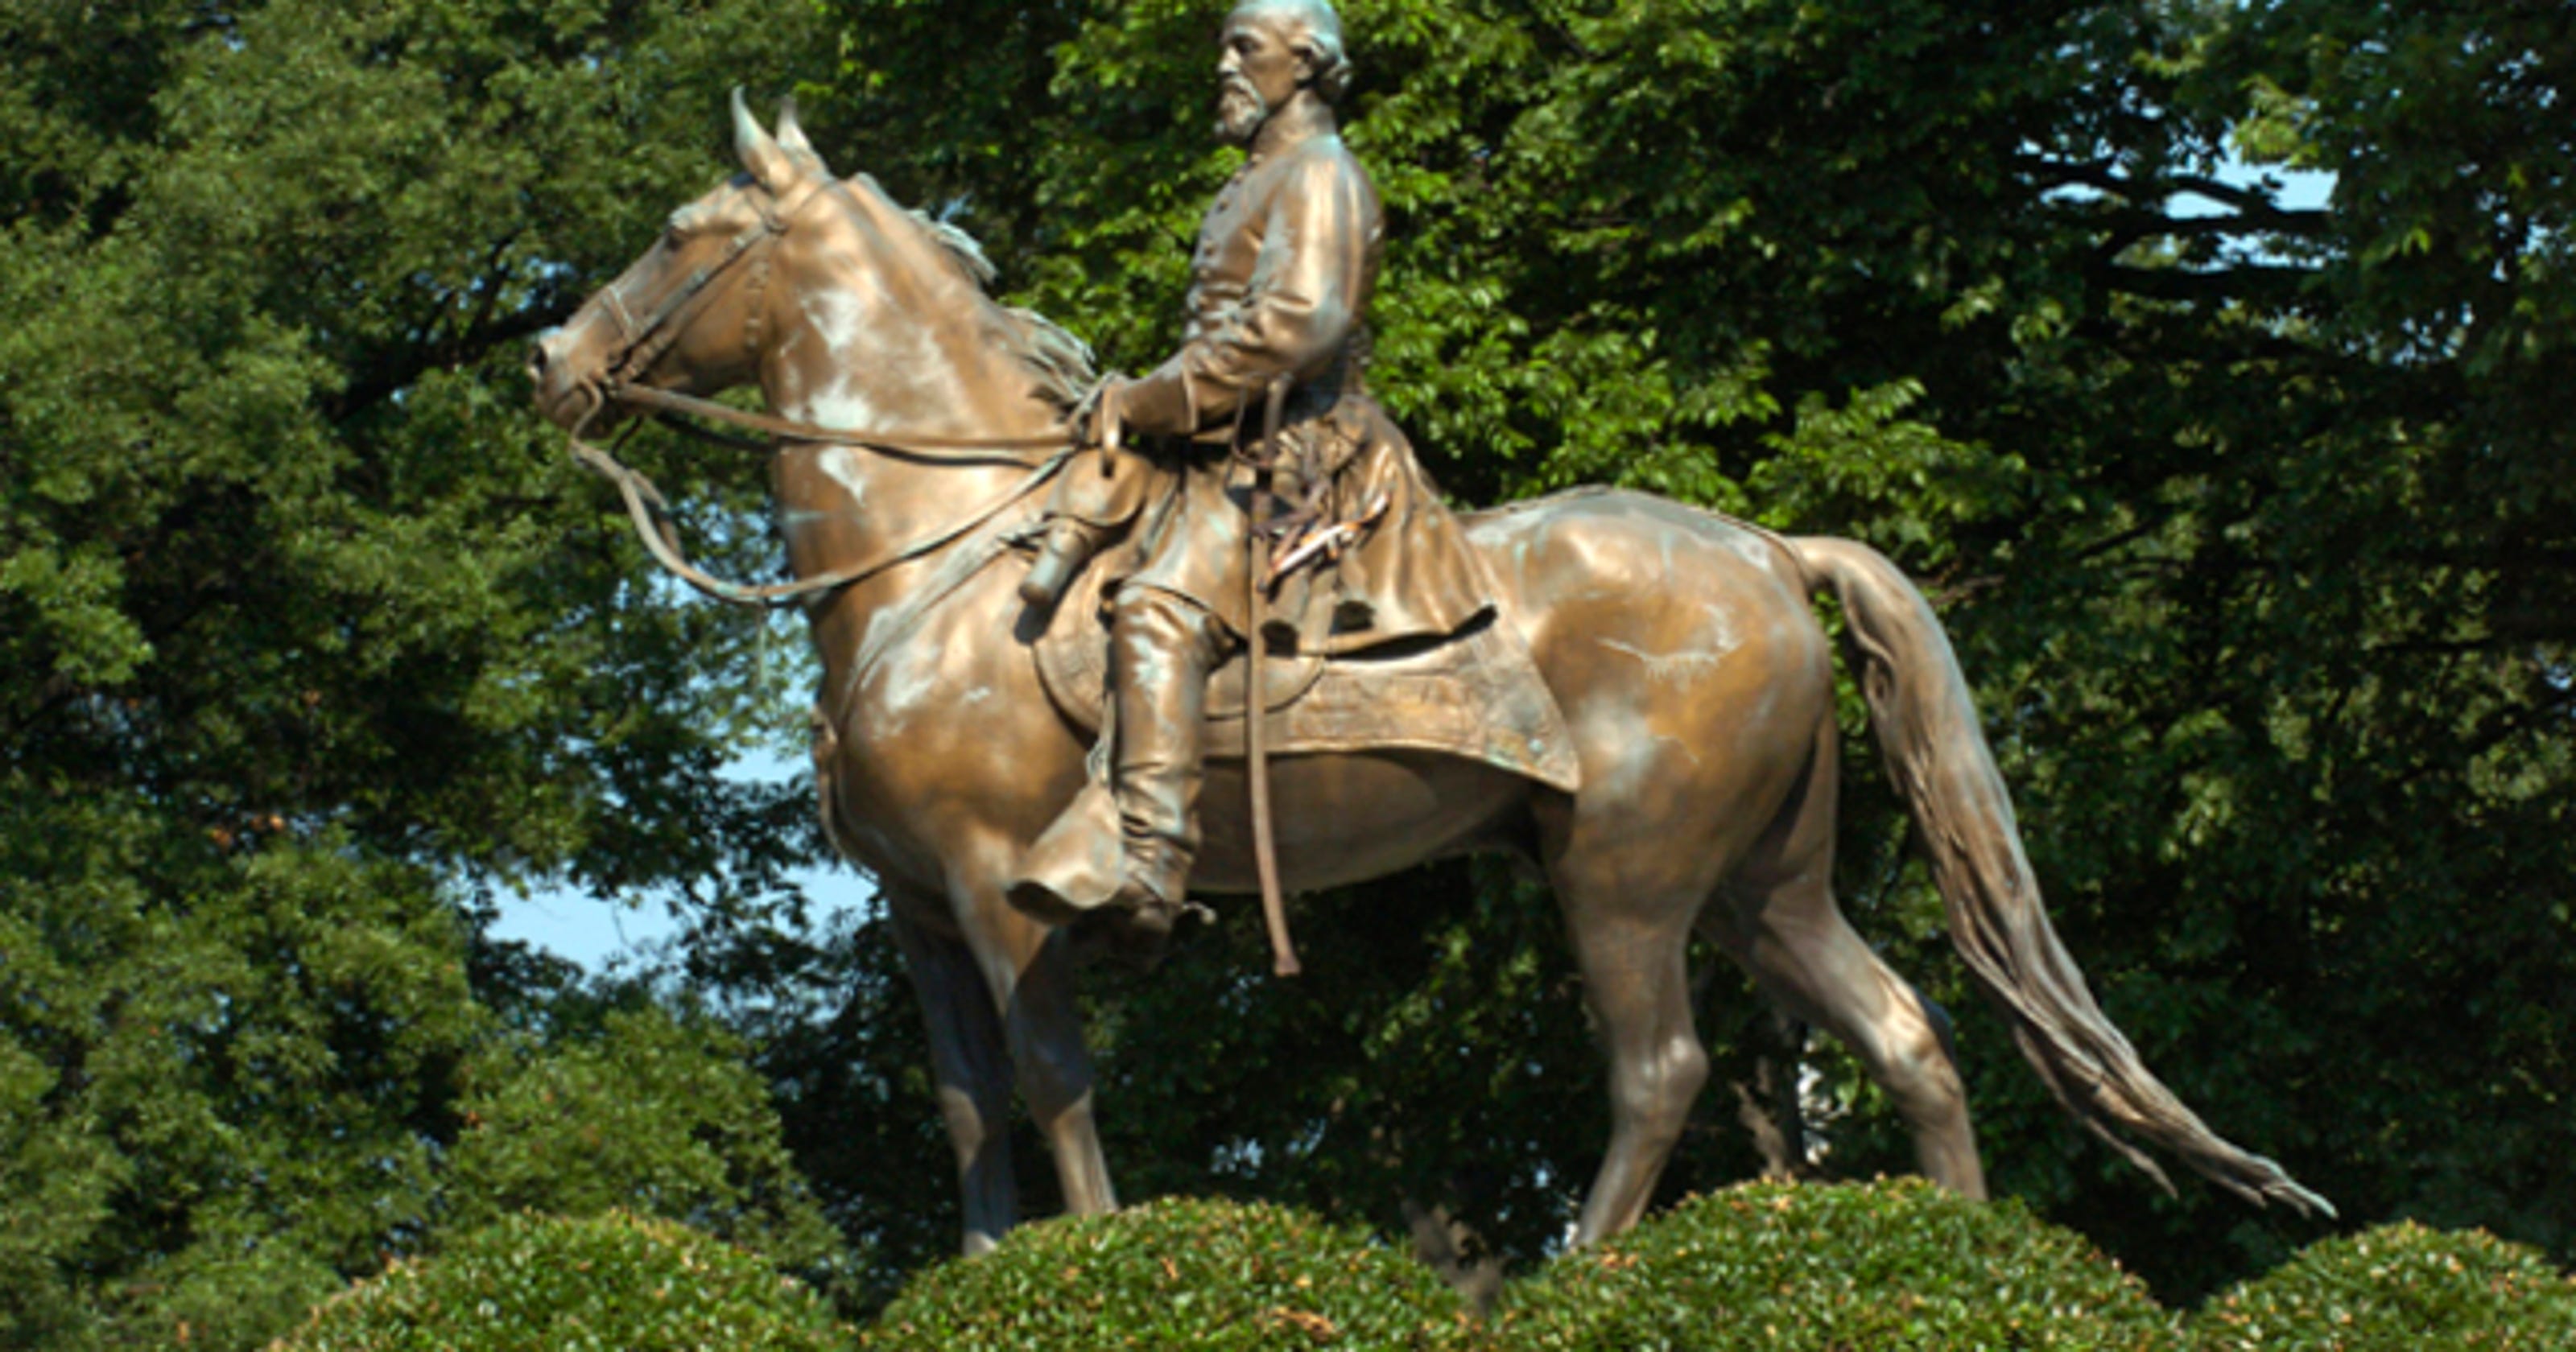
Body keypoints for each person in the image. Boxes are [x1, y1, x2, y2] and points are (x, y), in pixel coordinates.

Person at [1007, 0, 1488, 946]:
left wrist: (1150, 400)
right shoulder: (1263, 176)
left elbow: (1296, 327)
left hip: (1297, 447)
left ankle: (1146, 862)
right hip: (1227, 442)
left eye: (1242, 48)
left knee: (1156, 608)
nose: (1222, 67)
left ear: (1303, 62)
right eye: (1224, 47)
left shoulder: (1322, 173)